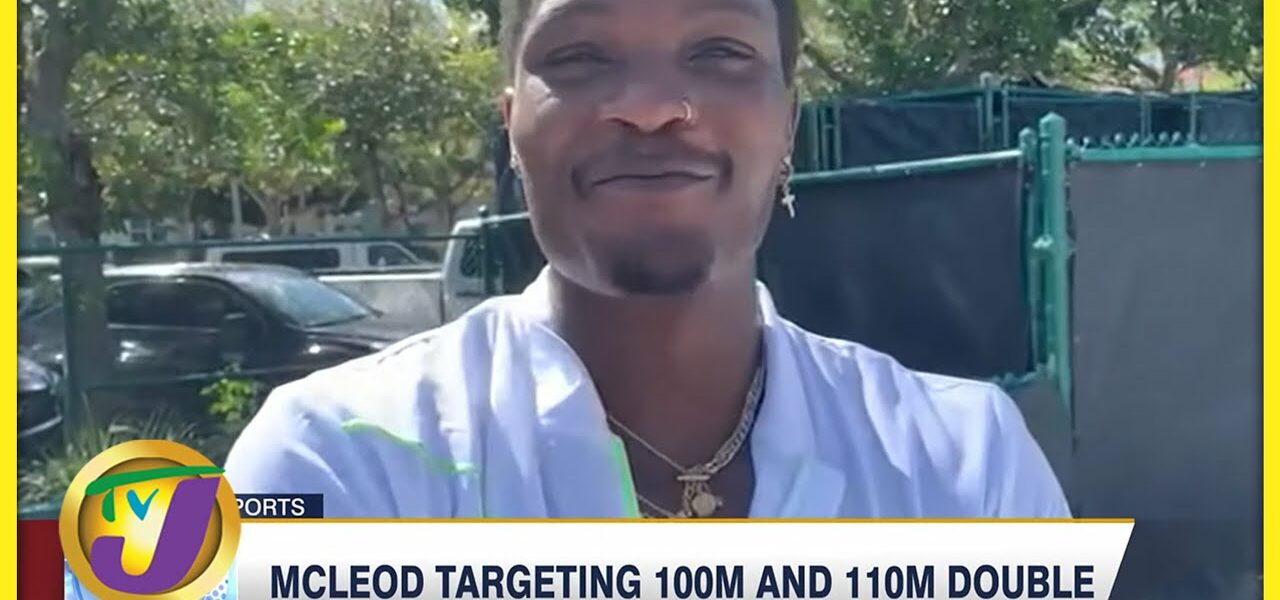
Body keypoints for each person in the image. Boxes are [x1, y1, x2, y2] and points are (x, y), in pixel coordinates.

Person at [225, 0, 1069, 519]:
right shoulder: (338, 459)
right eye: (580, 55)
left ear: (788, 123)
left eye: (720, 51)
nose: (653, 106)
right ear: (512, 127)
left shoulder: (961, 464)